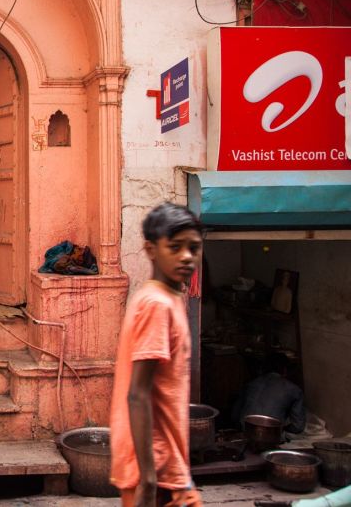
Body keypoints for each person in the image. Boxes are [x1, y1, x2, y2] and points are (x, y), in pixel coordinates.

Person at [110, 203, 204, 507]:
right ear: (151, 249)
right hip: (154, 467)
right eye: (175, 247)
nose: (187, 256)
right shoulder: (156, 305)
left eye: (194, 248)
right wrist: (148, 483)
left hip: (169, 464)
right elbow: (138, 393)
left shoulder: (171, 297)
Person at [233, 352, 306, 434]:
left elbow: (235, 416)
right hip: (270, 435)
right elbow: (298, 426)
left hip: (245, 432)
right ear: (285, 369)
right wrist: (282, 428)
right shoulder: (294, 390)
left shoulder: (250, 384)